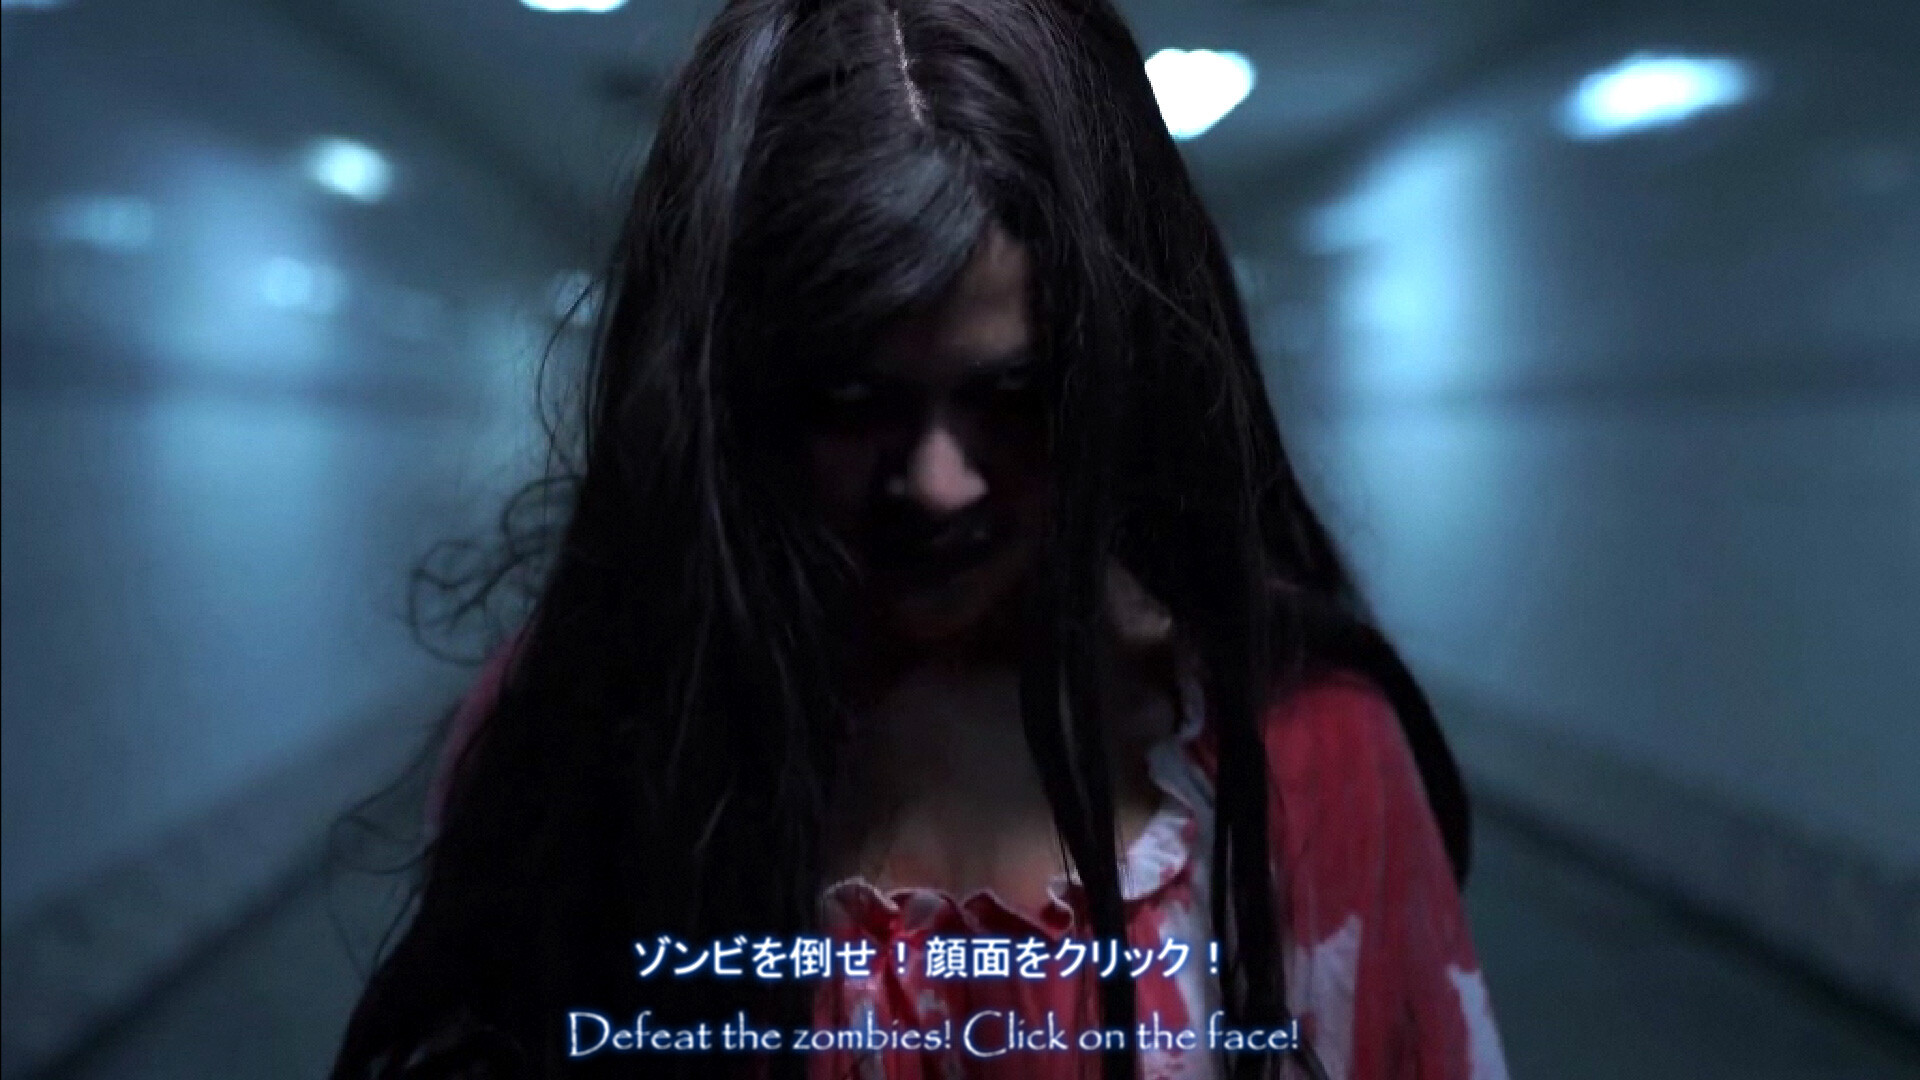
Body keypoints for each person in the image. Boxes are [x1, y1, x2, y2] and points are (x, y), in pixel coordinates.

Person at [331, 0, 1507, 1076]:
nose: (938, 485)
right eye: (853, 399)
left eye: (1015, 396)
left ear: (1118, 377)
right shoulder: (588, 725)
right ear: (735, 395)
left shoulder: (1302, 753)